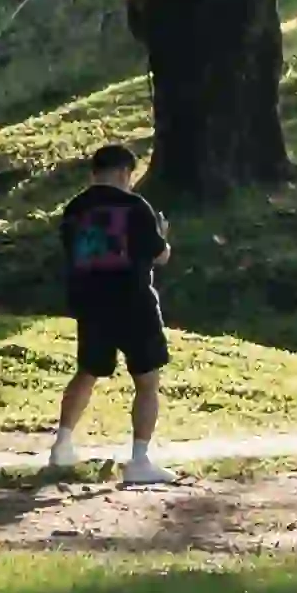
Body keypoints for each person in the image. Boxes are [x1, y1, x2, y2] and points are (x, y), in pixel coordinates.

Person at [46, 141, 177, 487]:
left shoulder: (73, 209)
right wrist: (162, 239)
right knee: (147, 380)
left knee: (88, 371)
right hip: (132, 301)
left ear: (93, 172)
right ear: (123, 172)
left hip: (90, 302)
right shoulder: (135, 205)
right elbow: (157, 254)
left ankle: (62, 444)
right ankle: (139, 460)